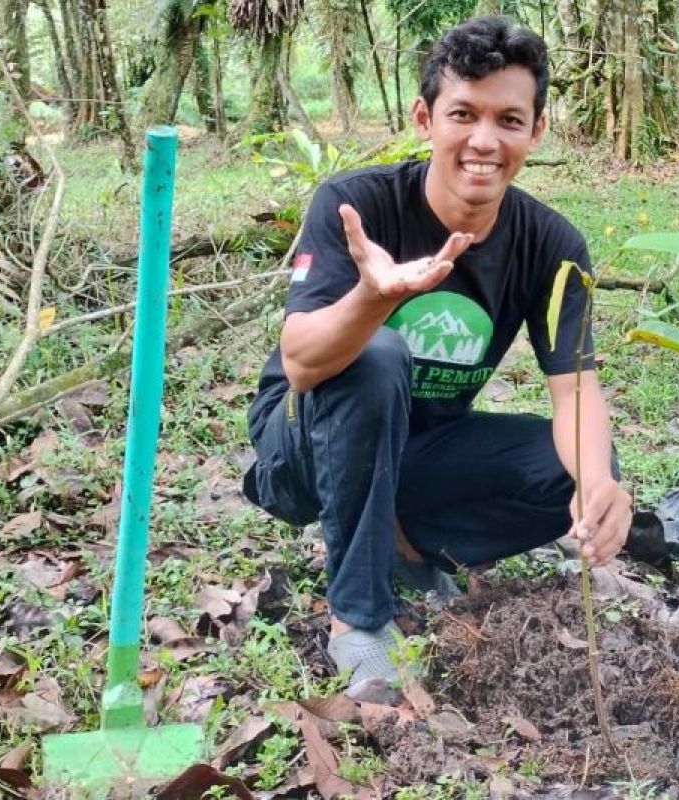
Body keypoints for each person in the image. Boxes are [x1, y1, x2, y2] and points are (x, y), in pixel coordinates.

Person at [243, 15, 632, 697]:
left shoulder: (550, 244)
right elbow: (302, 365)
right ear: (426, 119)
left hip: (420, 449)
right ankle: (358, 620)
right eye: (463, 115)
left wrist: (599, 487)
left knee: (576, 468)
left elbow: (574, 390)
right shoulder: (355, 206)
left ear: (536, 132)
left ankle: (401, 543)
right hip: (300, 450)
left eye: (509, 120)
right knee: (375, 355)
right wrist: (372, 297)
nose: (485, 141)